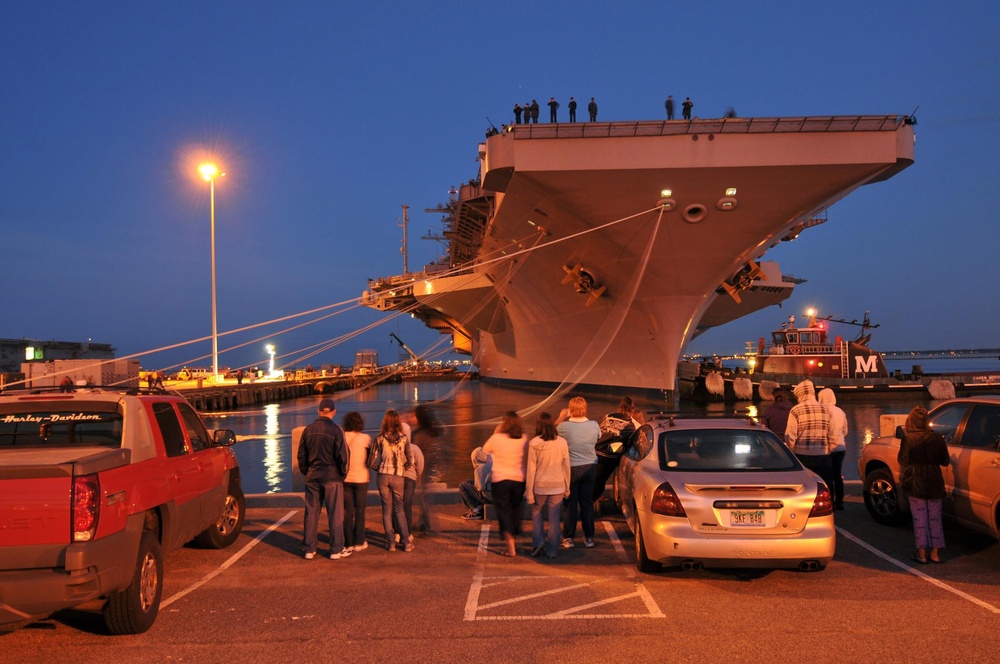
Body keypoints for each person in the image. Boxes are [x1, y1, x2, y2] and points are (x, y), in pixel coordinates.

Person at [297, 398, 351, 560]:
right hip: (332, 477)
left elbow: (301, 456)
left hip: (313, 476)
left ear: (319, 411)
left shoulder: (308, 430)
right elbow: (343, 456)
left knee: (311, 513)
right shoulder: (336, 430)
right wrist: (342, 474)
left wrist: (308, 472)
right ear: (333, 412)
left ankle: (309, 549)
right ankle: (335, 549)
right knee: (335, 514)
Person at [897, 406, 949, 564]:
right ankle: (935, 553)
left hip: (915, 482)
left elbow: (903, 461)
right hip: (934, 482)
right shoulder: (938, 438)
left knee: (919, 519)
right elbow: (945, 461)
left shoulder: (908, 438)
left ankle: (921, 554)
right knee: (935, 518)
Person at [556, 396, 601, 549]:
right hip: (589, 467)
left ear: (570, 409)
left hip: (571, 469)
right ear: (585, 408)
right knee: (587, 503)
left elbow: (549, 434)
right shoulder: (594, 425)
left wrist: (562, 417)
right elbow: (598, 438)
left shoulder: (563, 427)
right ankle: (589, 538)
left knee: (570, 504)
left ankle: (569, 538)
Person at [482, 411, 528, 557]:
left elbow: (485, 450)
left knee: (504, 513)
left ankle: (511, 547)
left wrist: (497, 432)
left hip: (501, 480)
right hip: (519, 480)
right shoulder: (524, 438)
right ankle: (515, 539)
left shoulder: (497, 438)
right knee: (516, 511)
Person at [525, 412, 570, 558]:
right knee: (554, 519)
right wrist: (567, 486)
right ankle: (552, 551)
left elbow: (531, 469)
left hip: (540, 486)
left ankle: (538, 544)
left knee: (537, 513)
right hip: (558, 485)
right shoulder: (562, 442)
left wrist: (529, 492)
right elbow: (566, 466)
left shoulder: (534, 443)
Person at [374, 409, 414, 552]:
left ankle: (390, 542)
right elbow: (410, 460)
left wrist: (379, 468)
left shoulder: (379, 438)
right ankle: (406, 542)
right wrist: (401, 469)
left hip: (383, 476)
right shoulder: (404, 438)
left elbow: (371, 461)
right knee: (399, 509)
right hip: (398, 476)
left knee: (386, 509)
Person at [785, 380, 835, 492]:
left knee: (804, 486)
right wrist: (829, 450)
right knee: (825, 484)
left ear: (800, 394)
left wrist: (791, 453)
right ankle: (830, 504)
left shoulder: (795, 410)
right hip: (823, 454)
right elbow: (832, 435)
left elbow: (790, 436)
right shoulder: (826, 410)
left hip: (802, 455)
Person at [593, 396, 642, 510]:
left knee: (598, 478)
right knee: (604, 478)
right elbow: (639, 442)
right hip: (612, 456)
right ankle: (593, 502)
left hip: (596, 451)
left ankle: (593, 498)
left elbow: (600, 432)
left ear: (619, 407)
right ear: (632, 410)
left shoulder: (608, 416)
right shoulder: (634, 424)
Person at [342, 411, 371, 552]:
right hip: (361, 478)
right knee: (360, 511)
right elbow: (370, 458)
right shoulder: (365, 438)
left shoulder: (341, 437)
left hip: (345, 478)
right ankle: (359, 541)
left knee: (347, 511)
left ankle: (348, 543)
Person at [408, 405, 441, 532]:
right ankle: (424, 522)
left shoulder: (419, 434)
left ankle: (426, 524)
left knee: (423, 496)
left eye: (413, 416)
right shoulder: (429, 432)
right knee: (424, 496)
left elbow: (415, 452)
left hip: (422, 468)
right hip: (428, 466)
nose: (412, 418)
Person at [818, 389, 848, 510]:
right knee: (837, 475)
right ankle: (839, 501)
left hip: (828, 447)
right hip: (841, 446)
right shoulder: (840, 411)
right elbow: (845, 431)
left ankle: (830, 501)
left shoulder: (822, 411)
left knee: (828, 476)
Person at [459, 446, 493, 519]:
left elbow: (480, 487)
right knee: (469, 482)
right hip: (496, 494)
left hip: (489, 497)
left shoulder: (480, 469)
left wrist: (476, 489)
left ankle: (476, 510)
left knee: (462, 486)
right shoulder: (491, 465)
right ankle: (479, 506)